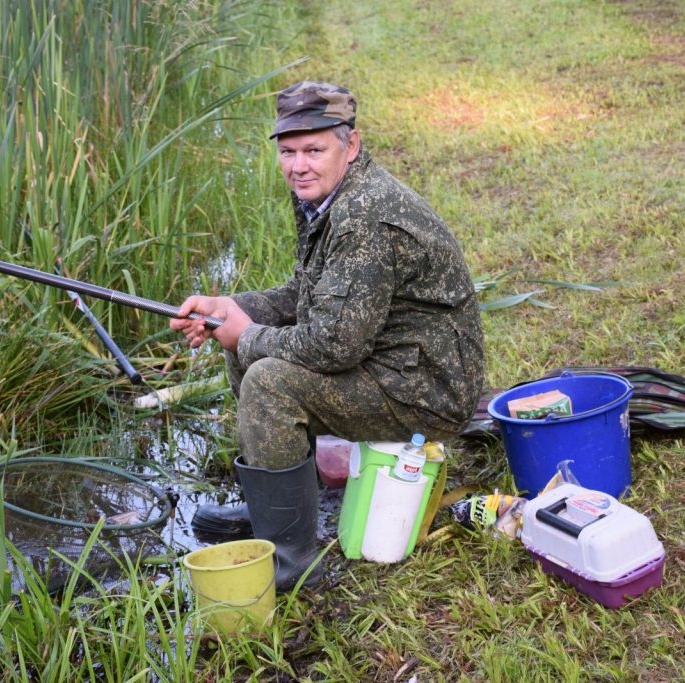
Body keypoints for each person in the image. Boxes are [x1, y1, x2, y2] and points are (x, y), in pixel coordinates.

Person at [170, 80, 484, 590]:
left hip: (426, 388)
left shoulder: (363, 216)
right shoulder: (327, 194)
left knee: (268, 379)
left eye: (314, 150)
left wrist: (246, 335)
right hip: (388, 360)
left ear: (350, 145)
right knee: (245, 344)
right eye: (288, 151)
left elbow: (333, 345)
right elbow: (309, 292)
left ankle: (293, 567)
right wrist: (231, 309)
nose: (298, 166)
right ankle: (278, 516)